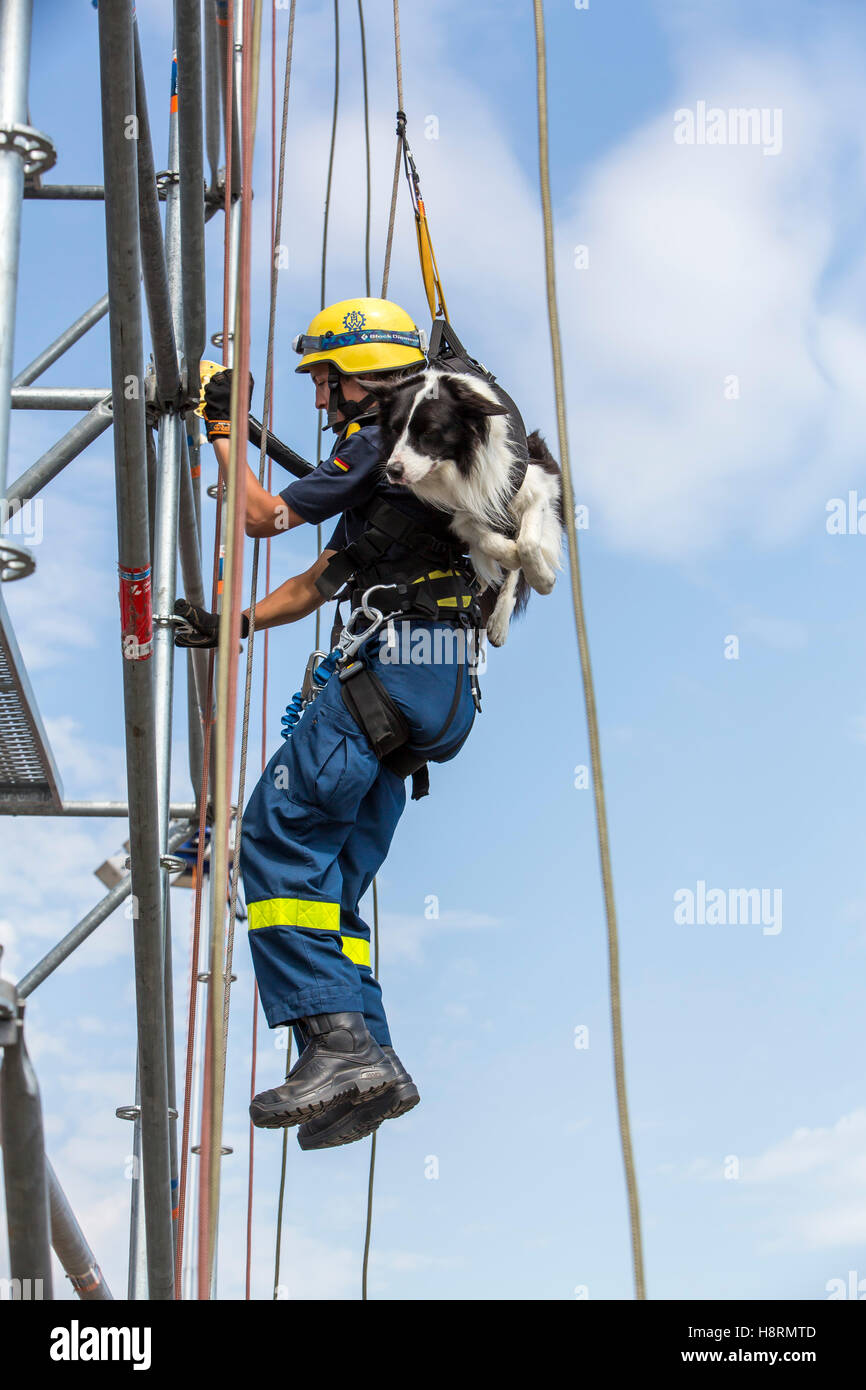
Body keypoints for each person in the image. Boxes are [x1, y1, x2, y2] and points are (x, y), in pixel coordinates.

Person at [176, 298, 483, 1151]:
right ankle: (370, 1058)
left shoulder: (383, 435)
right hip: (436, 684)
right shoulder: (413, 477)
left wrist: (219, 429)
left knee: (271, 838)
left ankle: (339, 1048)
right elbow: (321, 576)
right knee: (329, 882)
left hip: (393, 669)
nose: (320, 399)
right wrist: (234, 624)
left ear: (363, 372)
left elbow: (260, 516)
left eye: (325, 378)